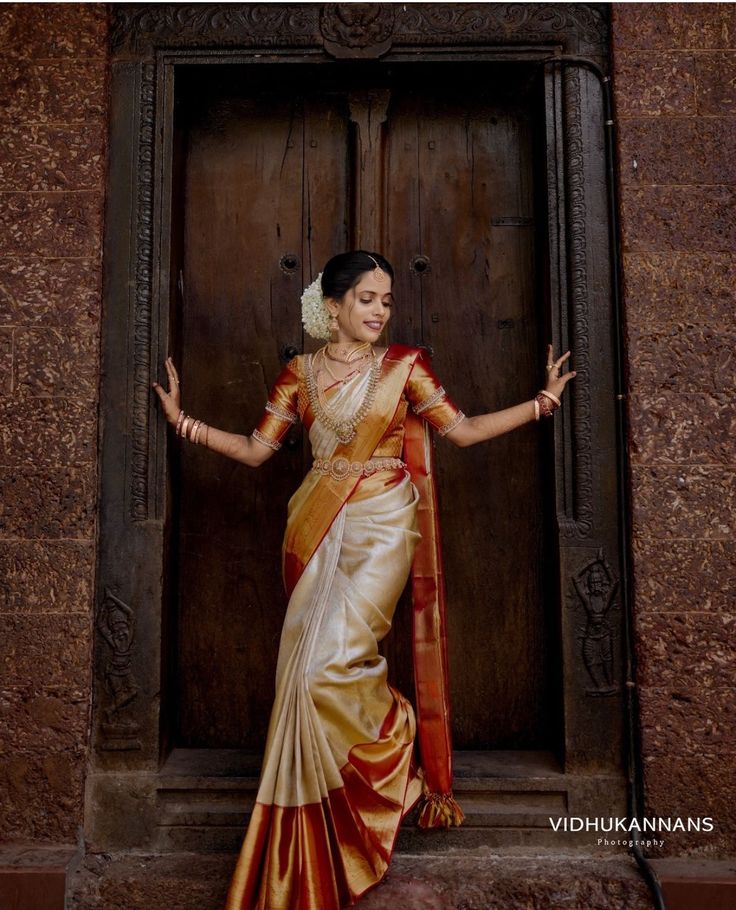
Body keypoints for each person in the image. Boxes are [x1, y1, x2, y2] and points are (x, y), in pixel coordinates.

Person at [152, 250, 575, 910]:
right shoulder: (300, 373)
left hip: (382, 521)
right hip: (314, 524)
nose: (380, 310)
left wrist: (542, 403)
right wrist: (185, 424)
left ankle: (395, 735)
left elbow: (459, 432)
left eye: (387, 301)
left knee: (329, 669)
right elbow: (260, 450)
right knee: (298, 679)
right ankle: (318, 842)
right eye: (368, 299)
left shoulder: (405, 366)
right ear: (333, 306)